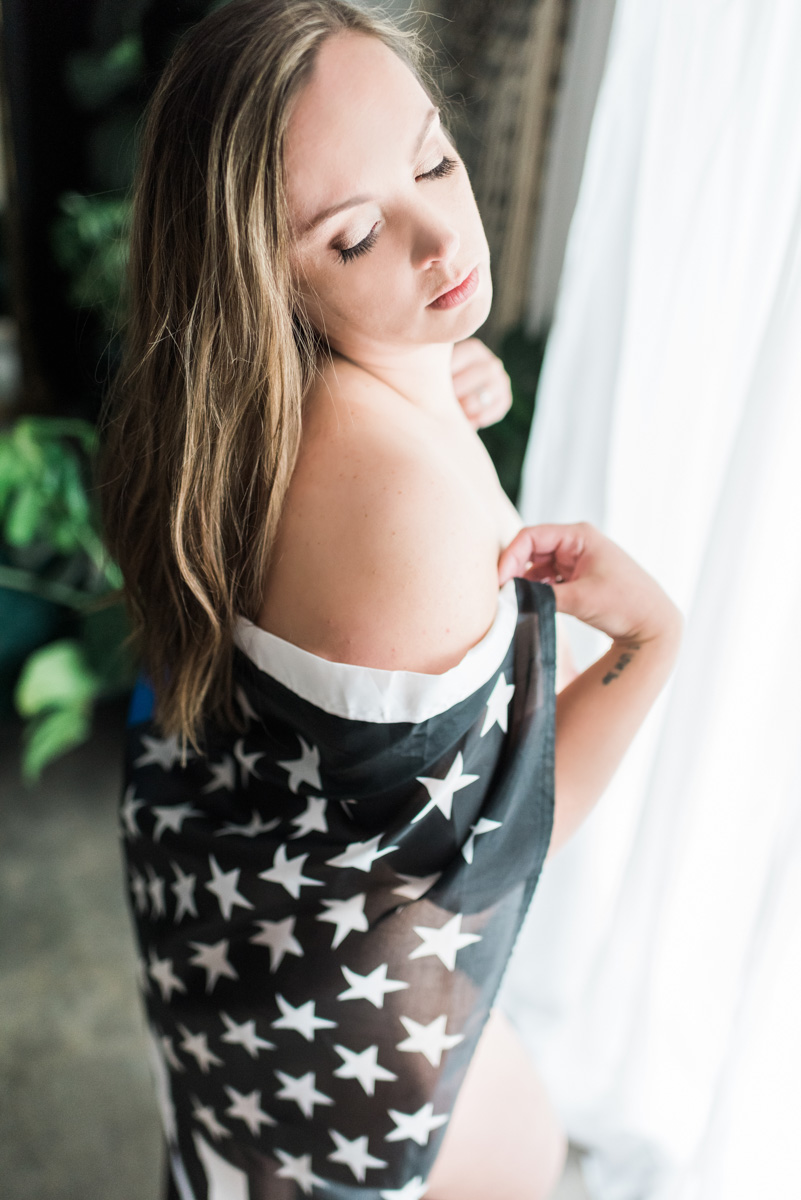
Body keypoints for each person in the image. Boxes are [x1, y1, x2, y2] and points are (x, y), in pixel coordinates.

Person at [98, 3, 683, 1198]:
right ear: (259, 281)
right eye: (356, 236)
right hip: (353, 1075)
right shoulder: (404, 525)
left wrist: (440, 367)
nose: (438, 240)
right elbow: (500, 839)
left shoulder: (244, 415)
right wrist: (648, 642)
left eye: (433, 159)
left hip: (235, 990)